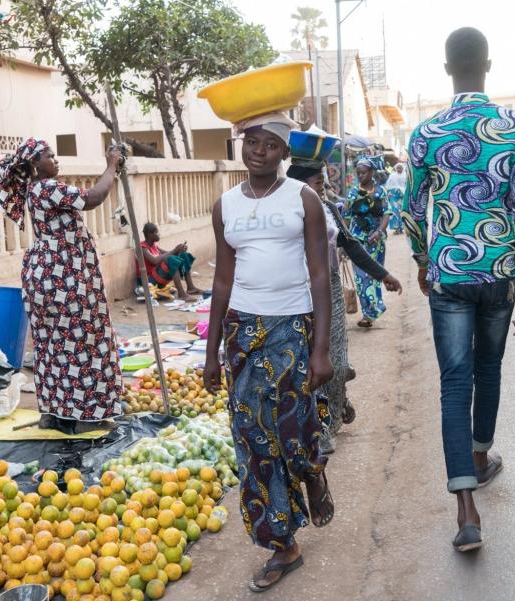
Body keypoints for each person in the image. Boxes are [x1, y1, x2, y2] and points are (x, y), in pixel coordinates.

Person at [402, 27, 515, 552]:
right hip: (502, 273)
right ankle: (481, 456)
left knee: (454, 384)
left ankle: (466, 507)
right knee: (489, 370)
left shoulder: (427, 132)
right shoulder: (514, 125)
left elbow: (414, 210)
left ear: (447, 70)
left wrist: (423, 257)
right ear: (488, 65)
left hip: (450, 275)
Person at [203, 112, 335, 592]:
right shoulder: (225, 206)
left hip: (292, 328)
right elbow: (222, 279)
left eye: (270, 145)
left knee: (294, 430)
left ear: (284, 153)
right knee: (253, 437)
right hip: (242, 330)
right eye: (252, 142)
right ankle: (283, 543)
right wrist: (212, 352)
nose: (259, 150)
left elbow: (320, 274)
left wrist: (321, 349)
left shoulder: (305, 199)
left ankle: (312, 472)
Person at [0, 139, 124, 433]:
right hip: (64, 277)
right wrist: (111, 166)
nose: (55, 159)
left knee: (52, 345)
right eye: (48, 156)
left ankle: (54, 412)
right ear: (33, 165)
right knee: (83, 341)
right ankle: (85, 415)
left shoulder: (33, 191)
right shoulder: (48, 188)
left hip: (44, 276)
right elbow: (93, 197)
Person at [286, 158, 402, 454]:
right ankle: (332, 399)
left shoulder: (330, 211)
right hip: (294, 293)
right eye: (317, 184)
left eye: (323, 184)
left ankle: (328, 424)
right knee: (303, 364)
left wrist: (384, 275)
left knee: (331, 361)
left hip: (331, 291)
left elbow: (351, 246)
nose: (322, 191)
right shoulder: (283, 215)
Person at [345, 156, 392, 328]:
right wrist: (344, 242)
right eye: (358, 173)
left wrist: (379, 232)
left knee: (373, 275)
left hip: (376, 242)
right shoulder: (352, 192)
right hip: (357, 241)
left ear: (371, 172)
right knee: (360, 278)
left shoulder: (381, 191)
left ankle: (371, 313)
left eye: (363, 172)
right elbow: (347, 217)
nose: (360, 176)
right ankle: (368, 313)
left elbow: (387, 213)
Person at [139, 222, 203, 300]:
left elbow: (169, 253)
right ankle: (181, 293)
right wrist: (174, 250)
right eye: (156, 232)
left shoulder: (154, 246)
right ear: (149, 235)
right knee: (171, 260)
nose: (159, 234)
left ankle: (191, 288)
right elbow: (154, 260)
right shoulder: (143, 247)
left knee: (183, 255)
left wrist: (179, 250)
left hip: (159, 277)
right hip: (151, 281)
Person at [386, 163, 407, 234]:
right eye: (398, 168)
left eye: (400, 168)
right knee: (394, 210)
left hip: (402, 196)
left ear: (403, 168)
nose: (399, 169)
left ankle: (401, 228)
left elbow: (407, 186)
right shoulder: (392, 175)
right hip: (393, 195)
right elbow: (388, 185)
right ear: (395, 168)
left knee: (401, 211)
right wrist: (388, 193)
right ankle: (396, 227)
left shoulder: (405, 176)